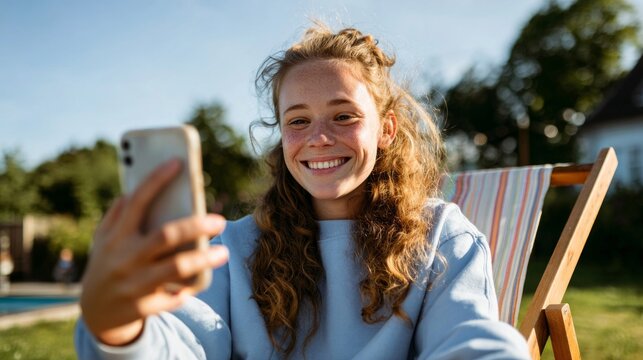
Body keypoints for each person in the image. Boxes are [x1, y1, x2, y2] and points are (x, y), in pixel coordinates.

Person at [75, 24, 530, 359]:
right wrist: (120, 330)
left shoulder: (442, 239)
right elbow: (184, 343)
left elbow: (470, 342)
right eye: (297, 121)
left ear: (386, 129)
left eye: (344, 116)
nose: (319, 138)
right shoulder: (231, 249)